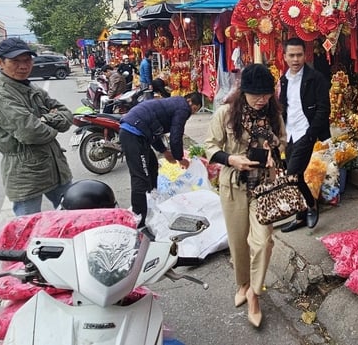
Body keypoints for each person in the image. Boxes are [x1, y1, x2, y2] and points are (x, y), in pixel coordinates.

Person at [205, 63, 286, 328]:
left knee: (262, 242)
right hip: (234, 185)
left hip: (264, 186)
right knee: (238, 242)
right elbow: (210, 147)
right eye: (256, 95)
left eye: (266, 94)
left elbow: (283, 141)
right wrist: (231, 159)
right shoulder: (225, 114)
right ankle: (242, 284)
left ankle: (254, 294)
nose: (262, 100)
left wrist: (275, 153)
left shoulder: (273, 114)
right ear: (244, 92)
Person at [0, 38, 73, 216]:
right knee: (28, 229)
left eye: (27, 60)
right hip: (25, 174)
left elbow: (67, 116)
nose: (23, 66)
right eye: (15, 61)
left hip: (55, 167)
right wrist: (50, 121)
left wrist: (42, 119)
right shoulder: (0, 95)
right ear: (0, 63)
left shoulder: (31, 88)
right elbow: (31, 132)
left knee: (71, 217)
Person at [119, 92, 203, 228]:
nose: (191, 113)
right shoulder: (183, 108)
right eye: (194, 109)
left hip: (139, 131)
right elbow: (176, 135)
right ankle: (139, 219)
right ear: (189, 101)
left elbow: (155, 130)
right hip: (133, 132)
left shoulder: (174, 103)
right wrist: (179, 158)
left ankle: (152, 201)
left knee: (152, 166)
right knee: (141, 177)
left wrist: (164, 151)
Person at [278, 37, 331, 233]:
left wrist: (311, 133)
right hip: (289, 133)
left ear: (305, 55)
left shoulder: (315, 78)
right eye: (291, 55)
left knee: (292, 175)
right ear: (284, 56)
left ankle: (311, 204)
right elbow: (284, 106)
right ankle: (300, 216)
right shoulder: (283, 79)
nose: (296, 59)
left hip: (305, 132)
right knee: (295, 175)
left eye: (299, 55)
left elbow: (324, 109)